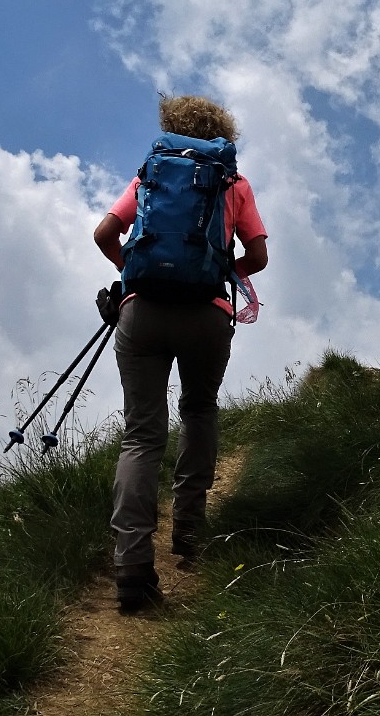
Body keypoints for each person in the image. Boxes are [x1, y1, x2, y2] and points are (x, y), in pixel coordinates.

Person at [93, 95, 268, 613]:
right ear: (221, 133)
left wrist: (131, 273)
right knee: (198, 411)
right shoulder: (232, 182)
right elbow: (257, 254)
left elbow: (105, 232)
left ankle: (132, 566)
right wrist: (216, 269)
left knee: (142, 434)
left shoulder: (149, 173)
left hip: (142, 311)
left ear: (171, 128)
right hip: (206, 315)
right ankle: (190, 534)